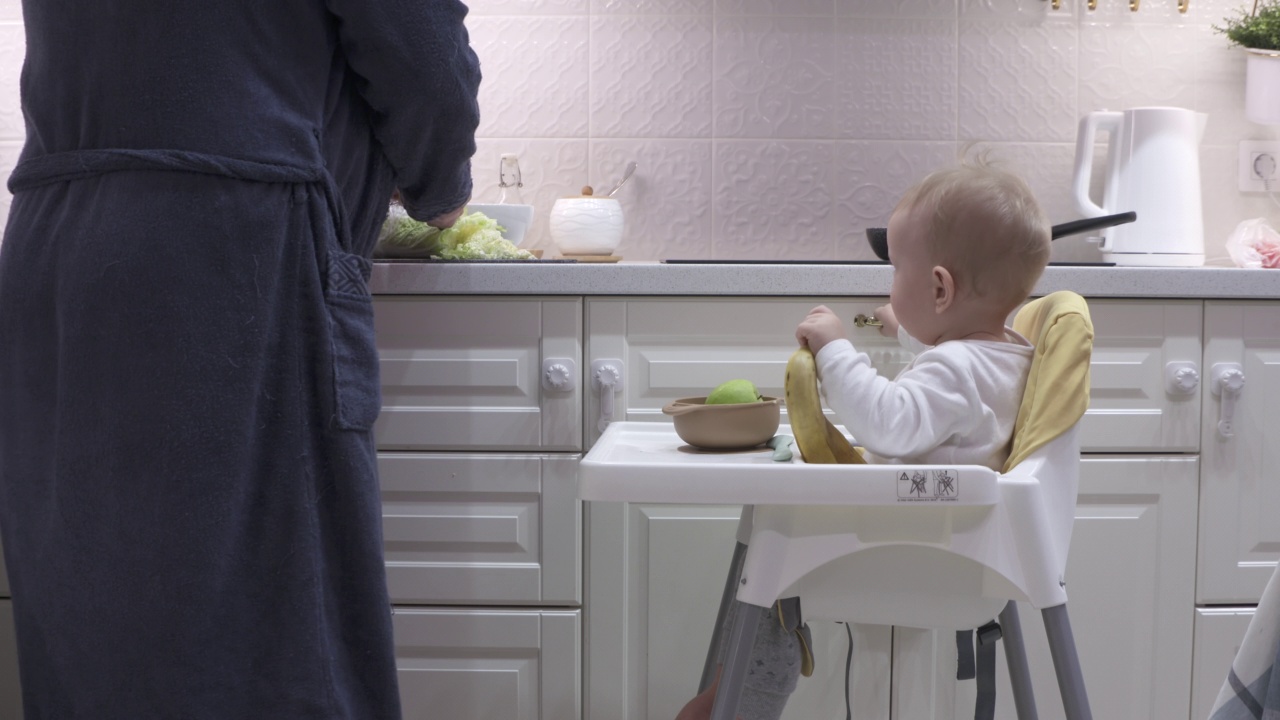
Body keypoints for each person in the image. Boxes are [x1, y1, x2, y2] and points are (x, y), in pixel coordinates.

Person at [0, 1, 480, 717]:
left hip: (57, 246)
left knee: (97, 634)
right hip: (233, 247)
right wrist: (441, 187)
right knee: (277, 634)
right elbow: (422, 55)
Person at [676, 154, 1052, 720]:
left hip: (908, 551)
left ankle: (739, 702)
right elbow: (949, 390)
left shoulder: (955, 370)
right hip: (965, 551)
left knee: (772, 555)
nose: (891, 280)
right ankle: (731, 689)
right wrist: (911, 330)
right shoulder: (1005, 358)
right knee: (769, 539)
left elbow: (891, 420)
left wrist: (833, 348)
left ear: (940, 289)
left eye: (897, 269)